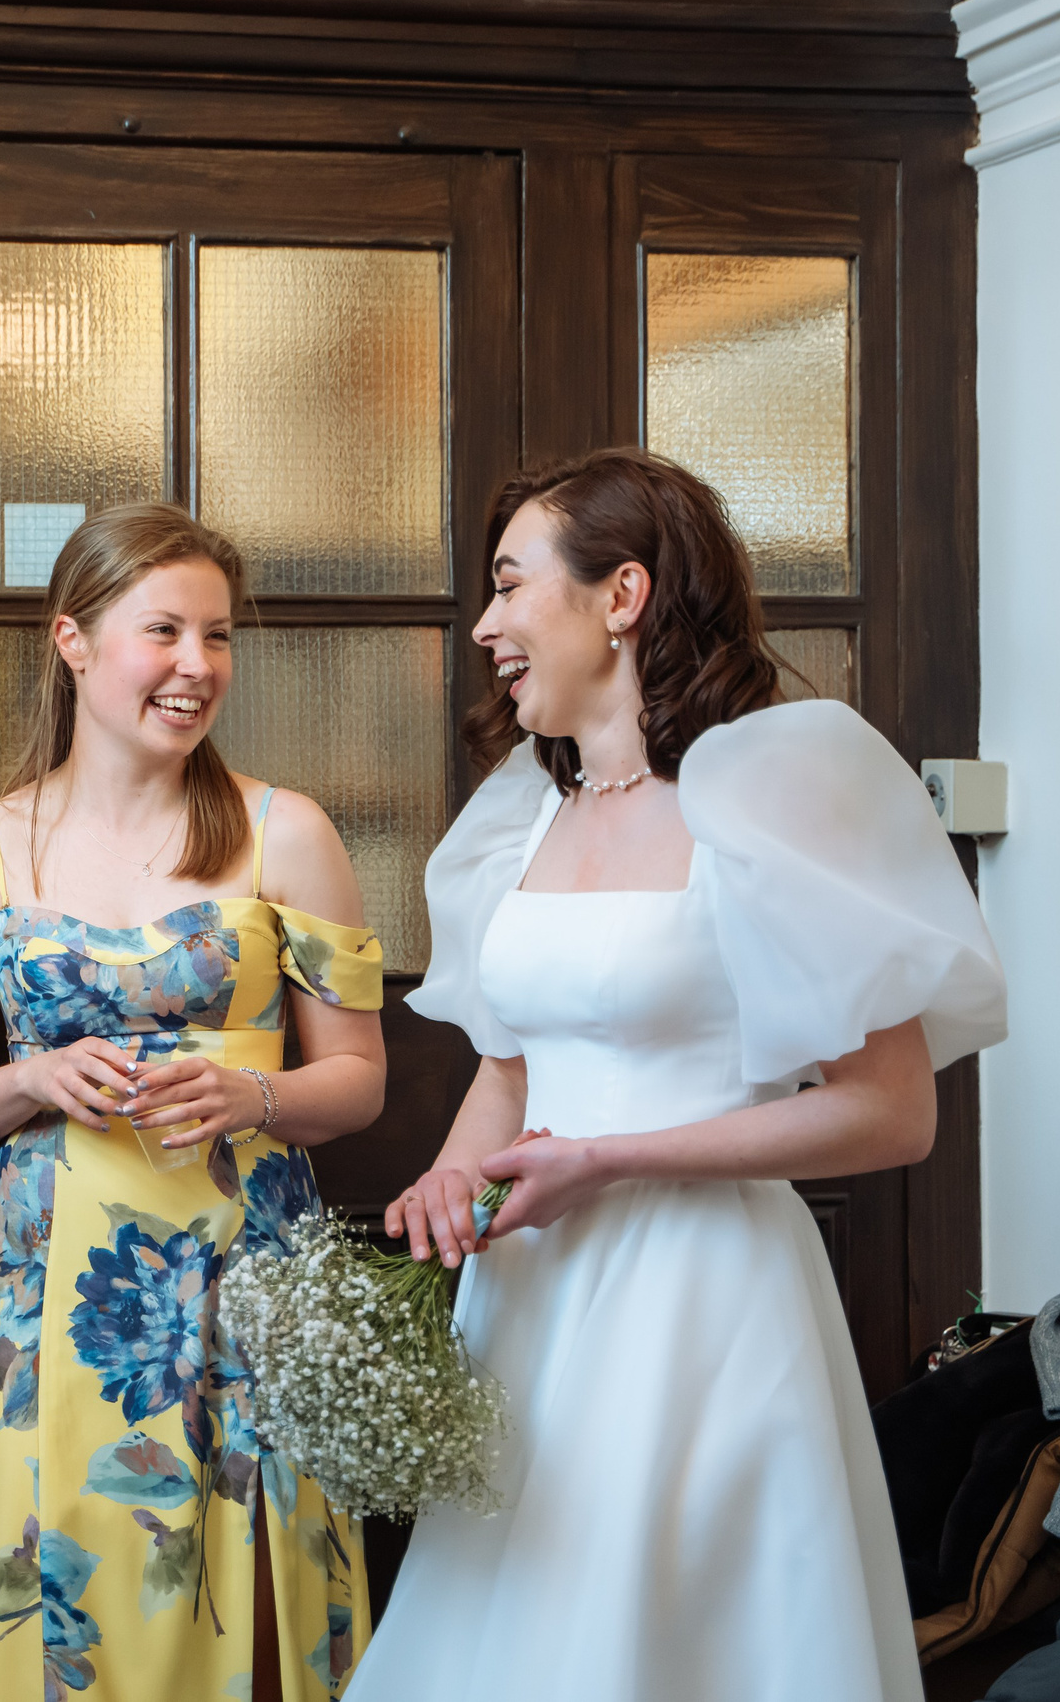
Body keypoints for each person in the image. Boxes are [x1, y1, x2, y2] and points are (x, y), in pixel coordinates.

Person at [349, 448, 1007, 1702]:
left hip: (704, 1308)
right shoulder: (520, 817)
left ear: (621, 595)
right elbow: (508, 1069)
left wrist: (608, 1158)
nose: (483, 625)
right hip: (532, 1305)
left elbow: (894, 1112)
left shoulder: (770, 796)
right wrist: (446, 1182)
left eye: (507, 584)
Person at [0, 504, 389, 1701]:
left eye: (216, 638)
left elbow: (361, 1081)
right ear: (72, 640)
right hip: (54, 1303)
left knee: (253, 1600)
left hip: (251, 1279)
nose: (197, 666)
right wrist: (26, 1078)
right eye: (162, 630)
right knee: (63, 1598)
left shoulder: (287, 831)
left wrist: (252, 1090)